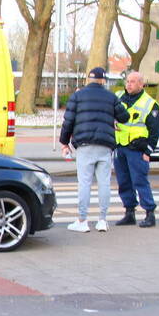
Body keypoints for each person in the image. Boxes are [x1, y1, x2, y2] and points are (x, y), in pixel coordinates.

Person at [59, 66, 130, 233]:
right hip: (105, 145)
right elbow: (124, 117)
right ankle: (102, 220)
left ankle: (82, 220)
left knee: (84, 183)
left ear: (88, 80)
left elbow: (68, 121)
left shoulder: (77, 96)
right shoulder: (111, 97)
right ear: (103, 80)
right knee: (104, 183)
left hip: (84, 145)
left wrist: (64, 142)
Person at [114, 70, 159, 228]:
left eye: (133, 81)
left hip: (137, 149)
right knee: (124, 182)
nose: (129, 84)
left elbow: (155, 130)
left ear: (141, 84)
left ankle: (149, 213)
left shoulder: (149, 103)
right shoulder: (119, 97)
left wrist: (148, 151)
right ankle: (129, 213)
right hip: (120, 147)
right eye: (127, 81)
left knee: (140, 181)